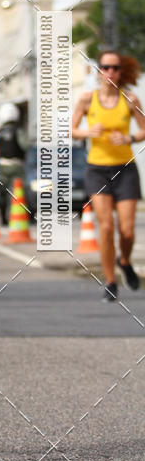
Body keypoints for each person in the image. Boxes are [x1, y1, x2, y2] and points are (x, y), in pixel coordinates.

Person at [72, 51, 145, 301]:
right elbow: (71, 130)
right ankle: (111, 281)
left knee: (127, 231)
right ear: (99, 71)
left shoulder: (130, 99)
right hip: (97, 170)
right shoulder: (86, 99)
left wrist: (129, 138)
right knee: (106, 226)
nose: (110, 72)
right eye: (105, 67)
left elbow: (144, 130)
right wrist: (87, 132)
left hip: (125, 169)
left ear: (120, 71)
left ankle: (124, 261)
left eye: (115, 67)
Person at [0, 102, 26, 226]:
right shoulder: (18, 130)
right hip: (17, 166)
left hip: (2, 166)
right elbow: (25, 145)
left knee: (2, 192)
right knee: (18, 192)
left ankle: (3, 218)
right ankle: (19, 217)